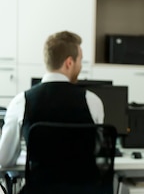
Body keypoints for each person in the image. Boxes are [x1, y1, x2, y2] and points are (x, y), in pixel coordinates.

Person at [0, 30, 104, 168]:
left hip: (39, 189)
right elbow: (98, 153)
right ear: (69, 63)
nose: (81, 66)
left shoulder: (21, 101)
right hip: (84, 189)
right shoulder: (92, 101)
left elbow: (5, 160)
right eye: (80, 60)